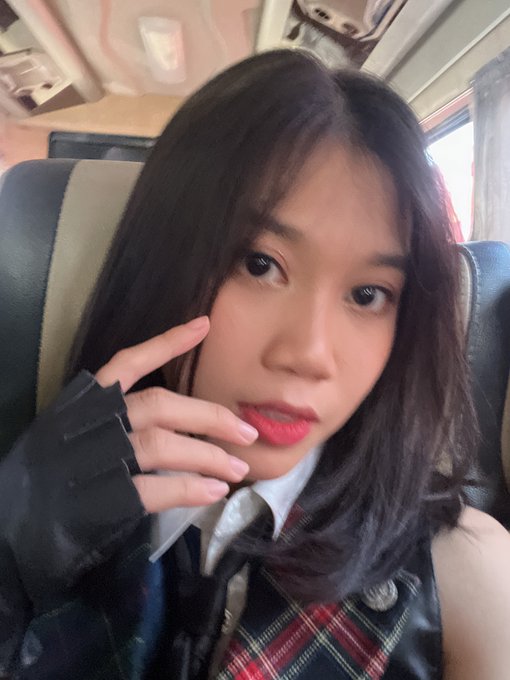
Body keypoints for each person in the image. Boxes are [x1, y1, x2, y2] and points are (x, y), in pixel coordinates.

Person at [1, 49, 510, 680]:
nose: (310, 355)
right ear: (161, 262)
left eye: (367, 295)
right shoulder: (27, 495)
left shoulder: (466, 576)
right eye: (260, 264)